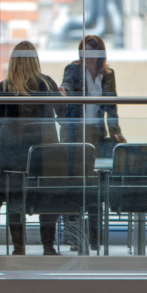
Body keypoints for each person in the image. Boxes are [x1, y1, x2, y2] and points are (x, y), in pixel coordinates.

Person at [58, 34, 126, 252]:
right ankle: (73, 238)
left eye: (92, 52)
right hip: (74, 135)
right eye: (84, 51)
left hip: (96, 135)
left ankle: (95, 238)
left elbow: (111, 106)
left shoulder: (108, 75)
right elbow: (67, 85)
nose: (87, 57)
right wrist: (64, 92)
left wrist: (115, 131)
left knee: (94, 188)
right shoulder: (73, 69)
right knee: (74, 187)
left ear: (100, 55)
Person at [0, 41, 61, 256]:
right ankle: (48, 247)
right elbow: (64, 112)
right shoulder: (48, 84)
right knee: (47, 200)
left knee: (15, 200)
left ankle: (18, 248)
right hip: (46, 154)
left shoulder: (3, 88)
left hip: (13, 156)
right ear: (35, 60)